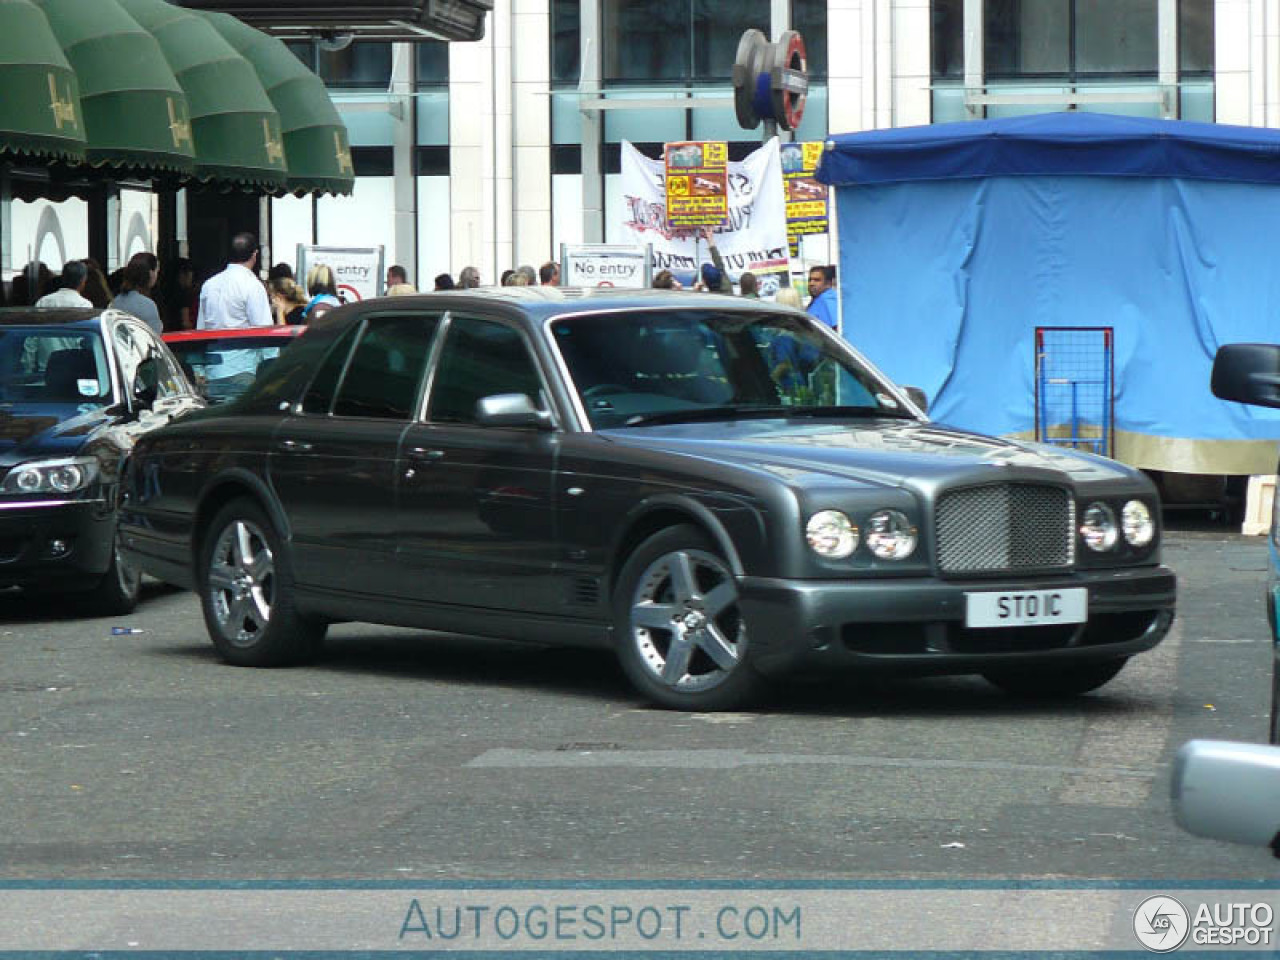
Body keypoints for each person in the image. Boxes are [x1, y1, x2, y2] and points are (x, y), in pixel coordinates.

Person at [198, 232, 273, 331]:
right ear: (254, 254)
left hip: (213, 346)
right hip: (244, 345)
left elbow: (201, 329)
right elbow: (264, 330)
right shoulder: (253, 286)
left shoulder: (208, 285)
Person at [112, 252, 162, 334]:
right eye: (157, 271)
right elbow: (155, 337)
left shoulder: (115, 302)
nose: (157, 276)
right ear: (150, 273)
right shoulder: (147, 305)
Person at [696, 227, 732, 293]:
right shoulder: (727, 288)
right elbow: (719, 263)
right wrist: (710, 239)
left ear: (704, 283)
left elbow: (719, 264)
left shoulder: (706, 299)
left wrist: (696, 291)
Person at [806, 264, 838, 330]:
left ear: (828, 283)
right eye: (810, 280)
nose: (811, 283)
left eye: (817, 280)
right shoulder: (818, 298)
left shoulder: (828, 298)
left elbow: (837, 327)